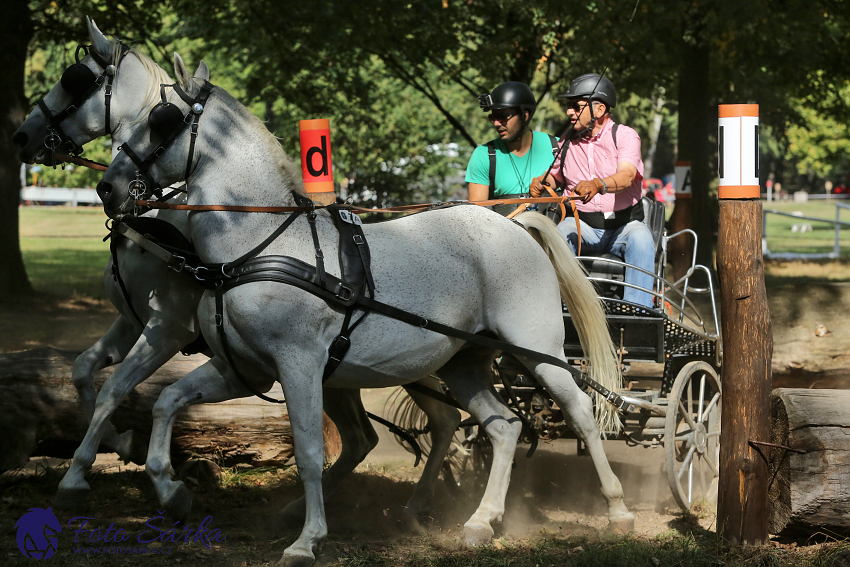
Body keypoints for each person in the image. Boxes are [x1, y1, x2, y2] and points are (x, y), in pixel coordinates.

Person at [530, 73, 656, 308]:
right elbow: (555, 177)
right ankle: (563, 309)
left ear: (599, 110)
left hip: (624, 226)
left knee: (641, 237)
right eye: (569, 106)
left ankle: (637, 314)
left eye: (576, 107)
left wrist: (598, 184)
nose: (569, 112)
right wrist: (542, 182)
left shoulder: (625, 135)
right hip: (583, 226)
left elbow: (627, 176)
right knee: (560, 231)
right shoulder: (567, 139)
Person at [465, 81, 558, 216]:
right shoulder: (483, 155)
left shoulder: (556, 147)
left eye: (503, 116)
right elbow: (476, 215)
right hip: (504, 235)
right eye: (493, 117)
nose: (497, 123)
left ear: (525, 115)